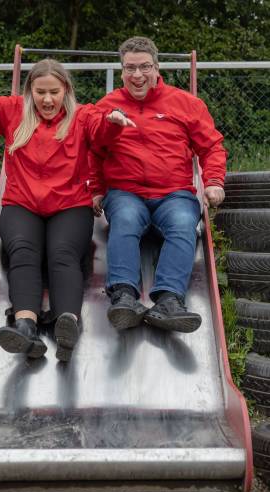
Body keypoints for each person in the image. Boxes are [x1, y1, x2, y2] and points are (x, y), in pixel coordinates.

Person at [0, 57, 135, 361]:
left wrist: (113, 121)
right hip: (23, 203)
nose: (47, 99)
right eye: (40, 92)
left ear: (66, 91)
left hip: (69, 204)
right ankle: (25, 327)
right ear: (29, 91)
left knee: (63, 253)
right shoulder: (14, 112)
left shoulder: (82, 116)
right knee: (22, 250)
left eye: (54, 92)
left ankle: (67, 323)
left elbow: (102, 128)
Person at [90, 36, 226, 334]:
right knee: (124, 219)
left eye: (144, 67)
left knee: (182, 222)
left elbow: (212, 146)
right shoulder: (107, 106)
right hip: (126, 193)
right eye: (129, 68)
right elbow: (94, 149)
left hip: (173, 193)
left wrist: (214, 181)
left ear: (157, 66)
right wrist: (97, 188)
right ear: (121, 69)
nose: (137, 76)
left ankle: (168, 299)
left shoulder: (185, 103)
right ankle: (124, 296)